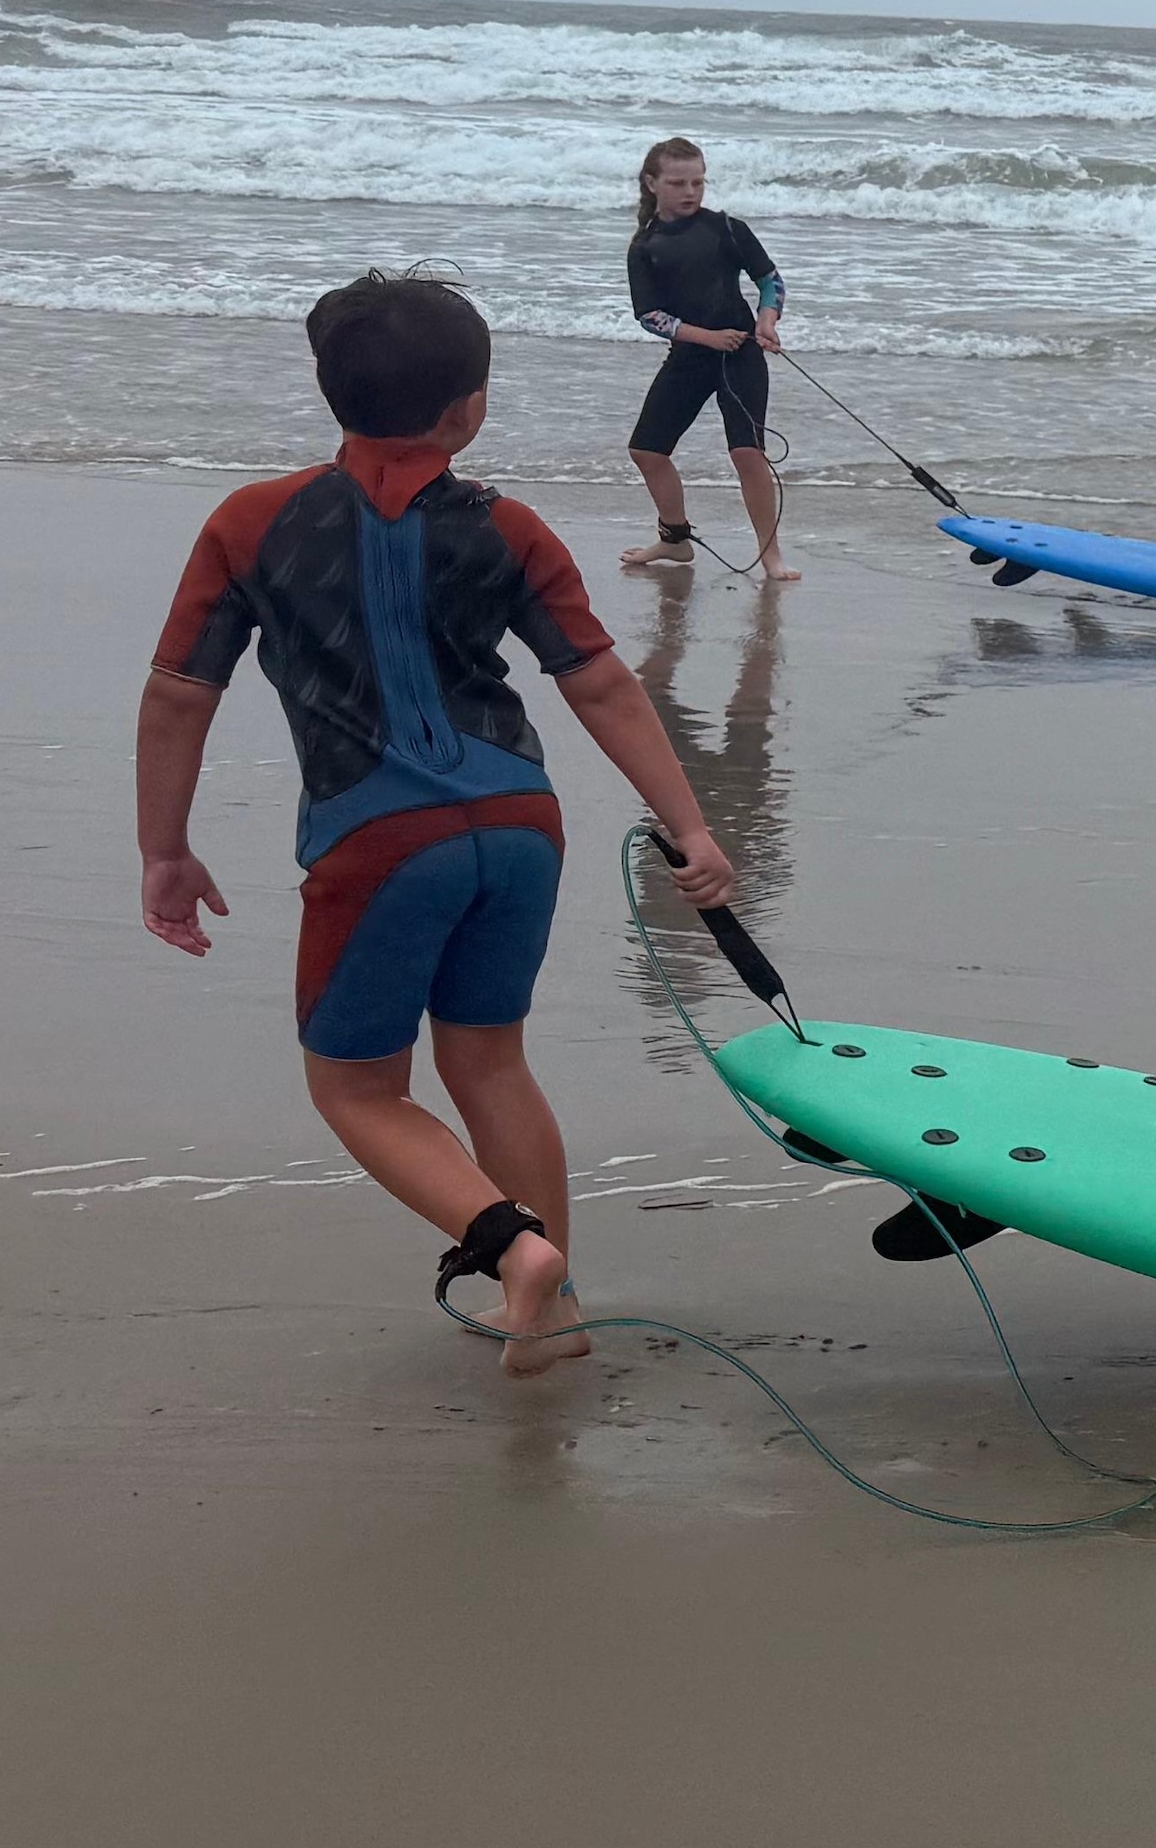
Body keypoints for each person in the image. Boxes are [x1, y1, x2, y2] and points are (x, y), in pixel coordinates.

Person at [137, 273, 746, 1376]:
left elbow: (182, 692)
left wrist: (166, 850)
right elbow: (599, 683)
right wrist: (689, 826)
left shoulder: (247, 523)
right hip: (519, 826)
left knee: (357, 1089)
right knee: (493, 1063)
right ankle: (551, 1311)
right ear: (469, 409)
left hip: (377, 843)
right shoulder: (509, 526)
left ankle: (515, 1255)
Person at [621, 135, 794, 575]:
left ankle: (770, 556)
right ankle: (676, 540)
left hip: (741, 355)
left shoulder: (726, 228)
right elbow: (650, 316)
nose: (691, 192)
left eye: (698, 182)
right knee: (647, 450)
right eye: (679, 182)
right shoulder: (645, 247)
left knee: (747, 453)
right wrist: (707, 337)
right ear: (652, 183)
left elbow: (770, 279)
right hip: (691, 358)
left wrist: (766, 320)